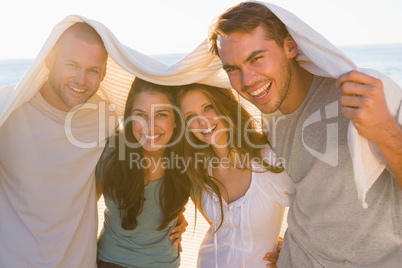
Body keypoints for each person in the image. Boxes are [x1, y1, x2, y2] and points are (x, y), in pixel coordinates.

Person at [207, 2, 402, 267]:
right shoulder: (268, 119)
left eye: (256, 59)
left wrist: (386, 131)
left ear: (290, 46)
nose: (248, 80)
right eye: (232, 69)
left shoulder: (362, 95)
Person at [0, 22, 186, 268]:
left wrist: (172, 214)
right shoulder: (7, 109)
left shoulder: (105, 115)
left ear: (104, 73)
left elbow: (139, 157)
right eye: (72, 65)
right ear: (48, 61)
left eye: (93, 70)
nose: (81, 79)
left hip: (83, 262)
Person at [175, 83, 295, 268]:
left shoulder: (269, 159)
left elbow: (316, 211)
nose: (203, 122)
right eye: (191, 117)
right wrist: (174, 221)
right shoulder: (197, 168)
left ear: (224, 105)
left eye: (208, 107)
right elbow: (224, 228)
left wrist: (292, 250)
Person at [95, 78, 191, 268]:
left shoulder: (188, 159)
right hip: (111, 262)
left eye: (161, 114)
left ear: (175, 120)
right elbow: (82, 208)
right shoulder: (111, 152)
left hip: (165, 263)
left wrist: (177, 215)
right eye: (140, 115)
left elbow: (224, 216)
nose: (150, 125)